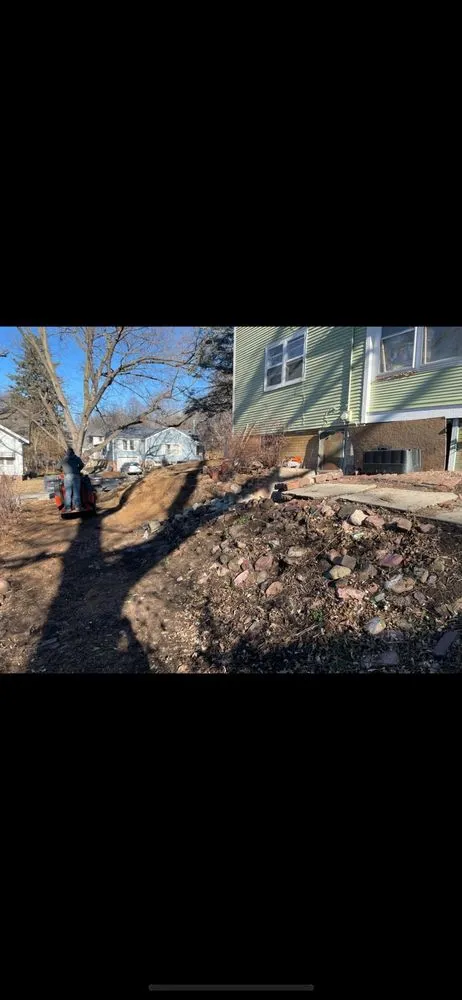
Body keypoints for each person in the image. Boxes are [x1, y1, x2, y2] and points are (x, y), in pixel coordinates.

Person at [60, 447, 84, 511]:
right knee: (76, 492)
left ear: (67, 453)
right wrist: (78, 470)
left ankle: (68, 508)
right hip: (76, 476)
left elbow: (57, 466)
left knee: (68, 492)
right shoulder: (76, 458)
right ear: (73, 452)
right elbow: (82, 465)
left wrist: (63, 470)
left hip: (67, 476)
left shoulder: (64, 459)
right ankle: (77, 507)